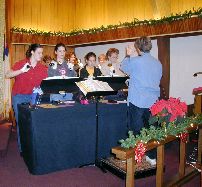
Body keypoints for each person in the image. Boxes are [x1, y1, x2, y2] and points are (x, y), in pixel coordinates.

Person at [121, 36, 162, 165]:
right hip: (153, 102)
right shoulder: (158, 63)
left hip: (137, 100)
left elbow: (123, 67)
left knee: (135, 130)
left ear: (138, 48)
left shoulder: (135, 61)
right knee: (151, 130)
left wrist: (128, 55)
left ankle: (136, 158)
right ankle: (151, 157)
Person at [5, 43, 48, 152]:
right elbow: (7, 75)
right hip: (19, 97)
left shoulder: (42, 68)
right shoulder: (21, 63)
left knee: (34, 122)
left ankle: (34, 147)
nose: (41, 55)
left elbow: (45, 84)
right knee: (22, 123)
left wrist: (42, 89)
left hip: (34, 98)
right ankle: (23, 149)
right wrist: (21, 71)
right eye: (39, 52)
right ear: (32, 52)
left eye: (42, 53)